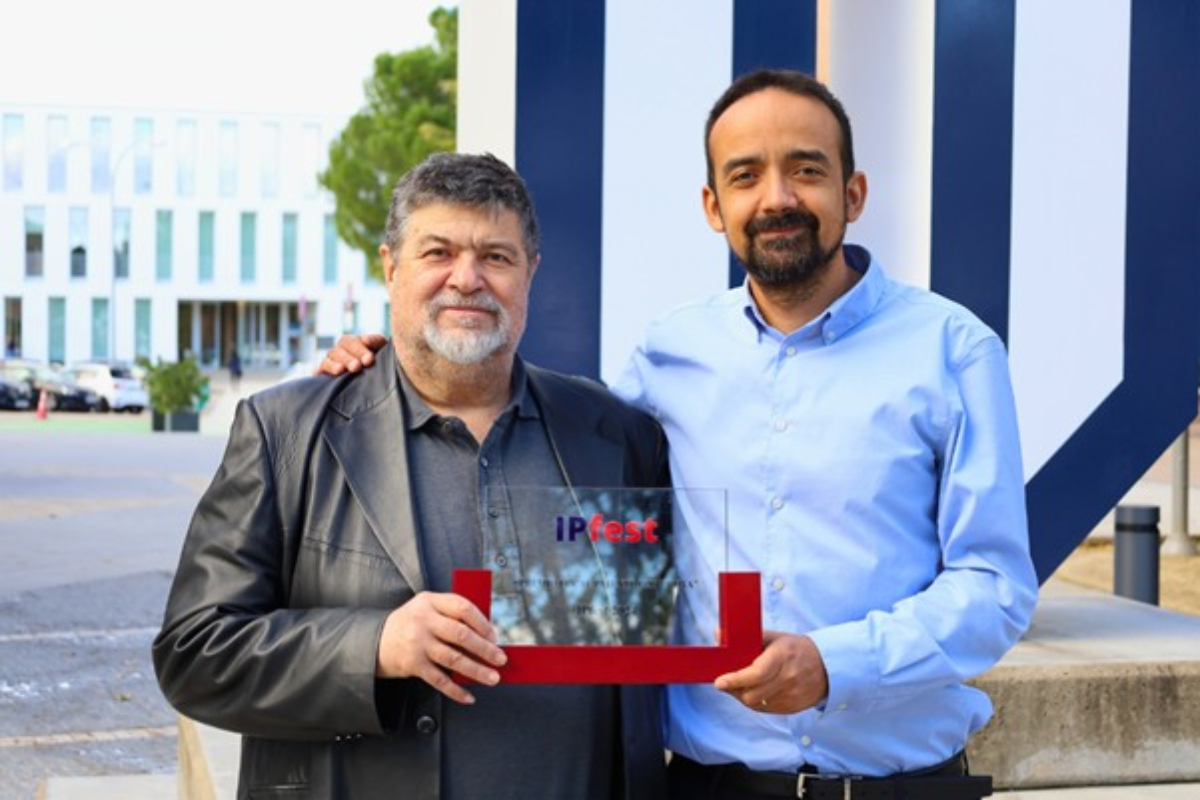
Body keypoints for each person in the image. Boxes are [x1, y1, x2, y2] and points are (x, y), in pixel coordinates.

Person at [321, 70, 1038, 800]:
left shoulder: (954, 351)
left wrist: (835, 662)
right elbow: (540, 430)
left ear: (853, 193)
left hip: (903, 786)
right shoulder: (669, 353)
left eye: (806, 170)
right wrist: (400, 365)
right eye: (745, 176)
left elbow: (996, 591)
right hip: (708, 788)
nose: (777, 198)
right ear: (713, 206)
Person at [153, 153, 669, 800]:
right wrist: (374, 645)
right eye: (438, 252)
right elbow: (195, 654)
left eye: (497, 257)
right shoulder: (287, 431)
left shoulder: (616, 434)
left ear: (530, 273)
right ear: (391, 266)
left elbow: (663, 629)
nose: (468, 278)